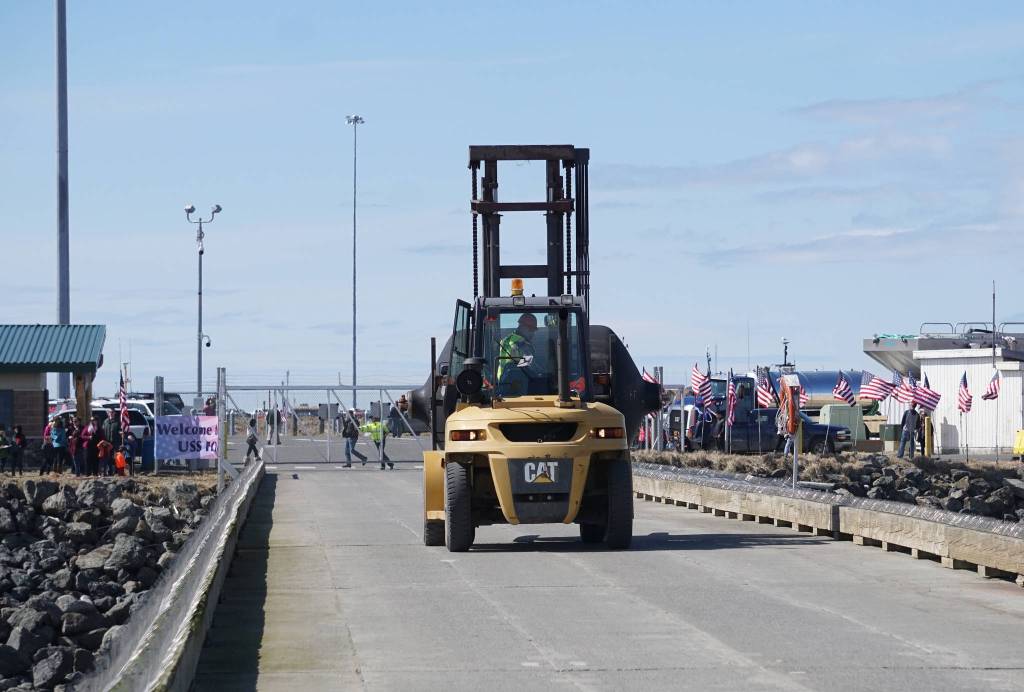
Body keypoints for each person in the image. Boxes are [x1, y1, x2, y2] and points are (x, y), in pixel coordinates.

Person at [496, 313, 542, 396]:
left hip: (503, 381)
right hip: (519, 383)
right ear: (523, 327)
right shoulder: (523, 343)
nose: (533, 334)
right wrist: (540, 372)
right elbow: (529, 365)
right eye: (531, 330)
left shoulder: (506, 339)